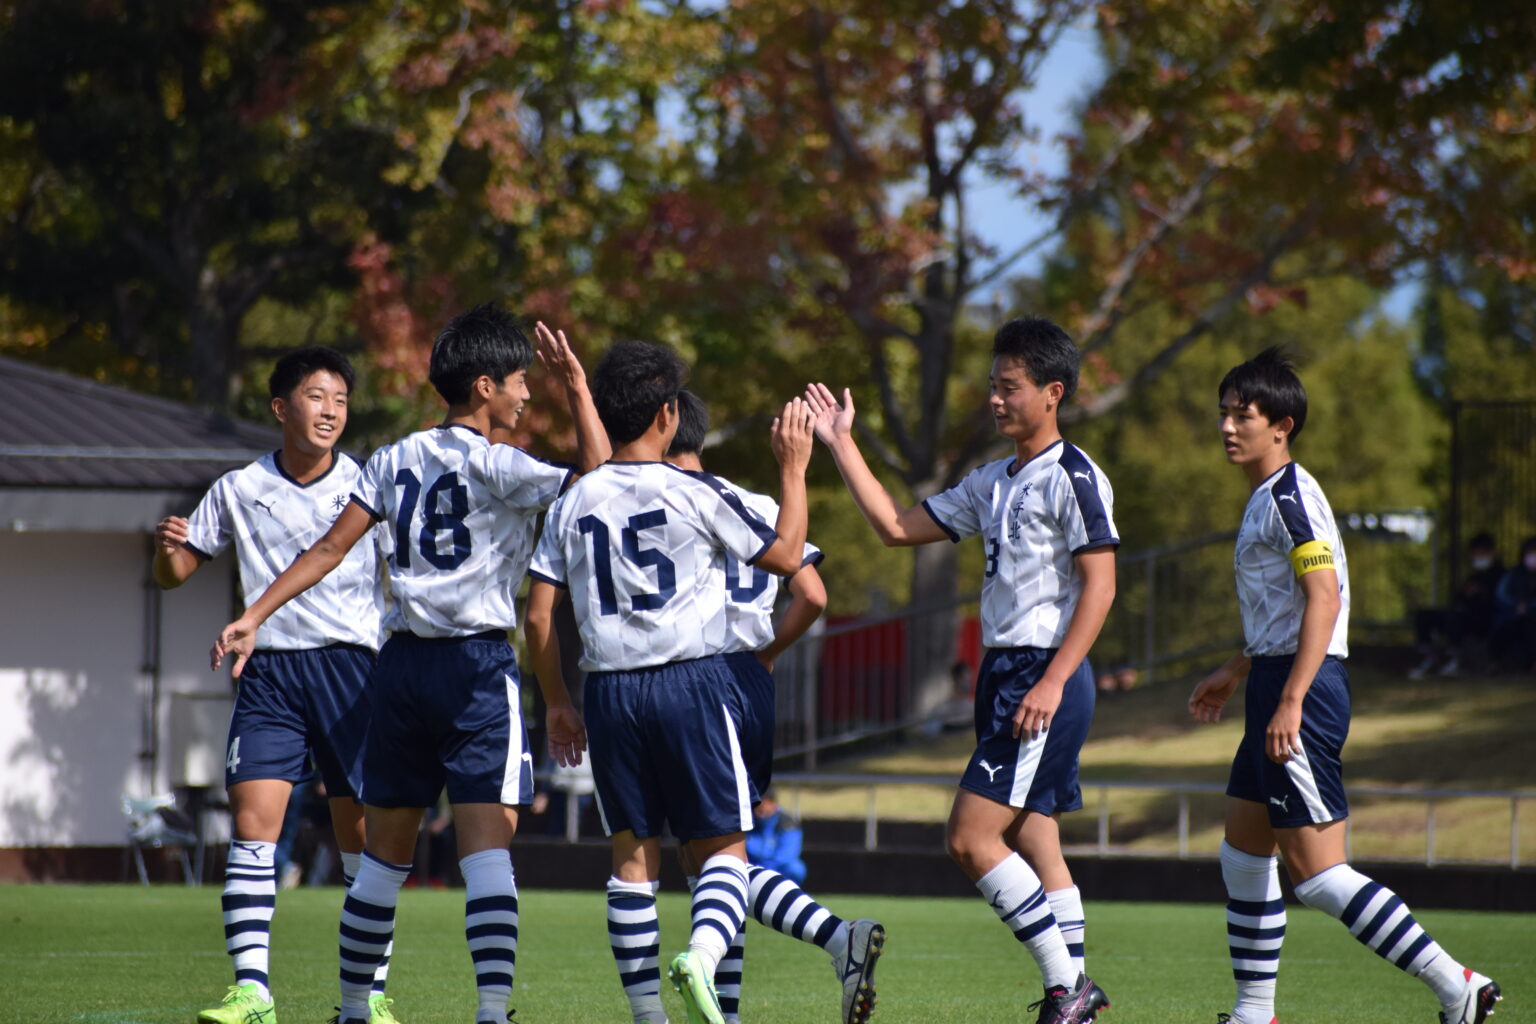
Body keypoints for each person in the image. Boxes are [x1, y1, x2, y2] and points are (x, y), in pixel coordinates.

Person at [212, 306, 607, 1024]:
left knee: (384, 859)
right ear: (484, 386)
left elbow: (329, 550)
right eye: (520, 383)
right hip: (477, 671)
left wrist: (254, 613)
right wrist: (578, 388)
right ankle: (491, 1012)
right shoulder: (504, 466)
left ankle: (355, 1010)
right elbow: (608, 483)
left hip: (398, 671)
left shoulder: (391, 458)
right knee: (486, 851)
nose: (526, 395)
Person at [804, 316, 1116, 1024]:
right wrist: (842, 443)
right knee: (1036, 837)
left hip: (1043, 676)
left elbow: (1101, 587)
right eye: (992, 386)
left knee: (969, 839)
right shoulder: (991, 481)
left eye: (1010, 388)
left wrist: (1053, 680)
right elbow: (893, 527)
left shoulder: (1075, 476)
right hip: (1006, 675)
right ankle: (1075, 1000)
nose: (996, 400)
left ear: (1052, 393)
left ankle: (1070, 991)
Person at [1188, 347, 1501, 1024]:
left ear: (1283, 425)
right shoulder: (1266, 498)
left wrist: (1291, 699)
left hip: (1301, 689)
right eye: (1224, 414)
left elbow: (1323, 601)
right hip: (1273, 679)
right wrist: (1237, 669)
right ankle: (1252, 1013)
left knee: (1320, 875)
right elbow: (1288, 613)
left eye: (1243, 414)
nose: (1228, 427)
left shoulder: (1291, 498)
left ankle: (1458, 986)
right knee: (1244, 855)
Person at [523, 341, 816, 1024]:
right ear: (667, 413)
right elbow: (787, 558)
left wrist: (559, 702)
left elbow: (538, 617)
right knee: (723, 852)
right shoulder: (694, 493)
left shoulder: (575, 499)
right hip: (692, 684)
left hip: (610, 694)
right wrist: (794, 470)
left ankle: (650, 1017)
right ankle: (703, 958)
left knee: (631, 861)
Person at [154, 346, 400, 1024]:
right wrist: (165, 549)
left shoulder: (369, 484)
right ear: (280, 407)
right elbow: (175, 572)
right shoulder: (237, 487)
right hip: (271, 675)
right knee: (252, 828)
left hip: (353, 673)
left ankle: (370, 993)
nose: (331, 410)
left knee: (362, 839)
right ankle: (252, 990)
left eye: (341, 400)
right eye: (317, 396)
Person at [664, 389, 885, 1024]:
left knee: (712, 860)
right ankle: (729, 1007)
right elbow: (812, 595)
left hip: (700, 680)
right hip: (751, 682)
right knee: (709, 859)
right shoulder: (761, 503)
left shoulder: (670, 504)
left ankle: (837, 938)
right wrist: (767, 652)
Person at [1409, 532, 1504, 678]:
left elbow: (1499, 601)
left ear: (1491, 551)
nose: (1477, 556)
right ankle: (1428, 656)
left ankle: (1454, 659)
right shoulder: (1473, 576)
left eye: (1481, 553)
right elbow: (1458, 599)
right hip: (1461, 614)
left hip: (1483, 620)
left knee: (1454, 618)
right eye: (1475, 553)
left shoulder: (1500, 575)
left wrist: (1481, 593)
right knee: (1424, 615)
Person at [1491, 536, 1536, 672]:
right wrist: (1515, 606)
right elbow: (1500, 594)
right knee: (1502, 629)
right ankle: (1495, 663)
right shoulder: (1514, 574)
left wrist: (1529, 606)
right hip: (1512, 615)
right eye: (1530, 552)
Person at [744, 788, 806, 883]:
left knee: (796, 868)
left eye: (763, 803)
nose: (760, 808)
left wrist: (766, 871)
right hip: (754, 868)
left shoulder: (788, 824)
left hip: (779, 870)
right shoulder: (747, 823)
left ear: (773, 803)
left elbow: (787, 855)